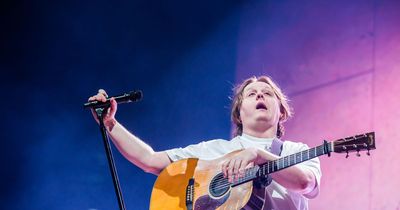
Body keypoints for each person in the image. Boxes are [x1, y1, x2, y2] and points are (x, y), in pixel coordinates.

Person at [88, 76, 321, 210]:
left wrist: (258, 155)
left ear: (281, 112)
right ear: (238, 114)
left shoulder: (295, 150)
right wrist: (110, 124)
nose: (260, 95)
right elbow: (149, 160)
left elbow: (305, 183)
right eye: (251, 94)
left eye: (268, 93)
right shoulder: (215, 150)